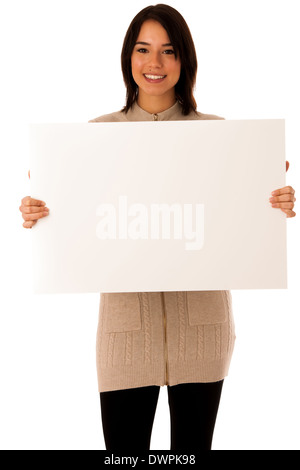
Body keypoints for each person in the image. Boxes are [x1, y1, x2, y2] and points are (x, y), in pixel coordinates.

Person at [19, 4, 296, 451]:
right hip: (124, 336)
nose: (155, 63)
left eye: (168, 51)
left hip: (203, 332)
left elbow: (241, 226)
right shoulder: (94, 137)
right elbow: (76, 227)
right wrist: (41, 212)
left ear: (183, 59)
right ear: (128, 57)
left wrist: (272, 204)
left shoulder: (221, 137)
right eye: (143, 50)